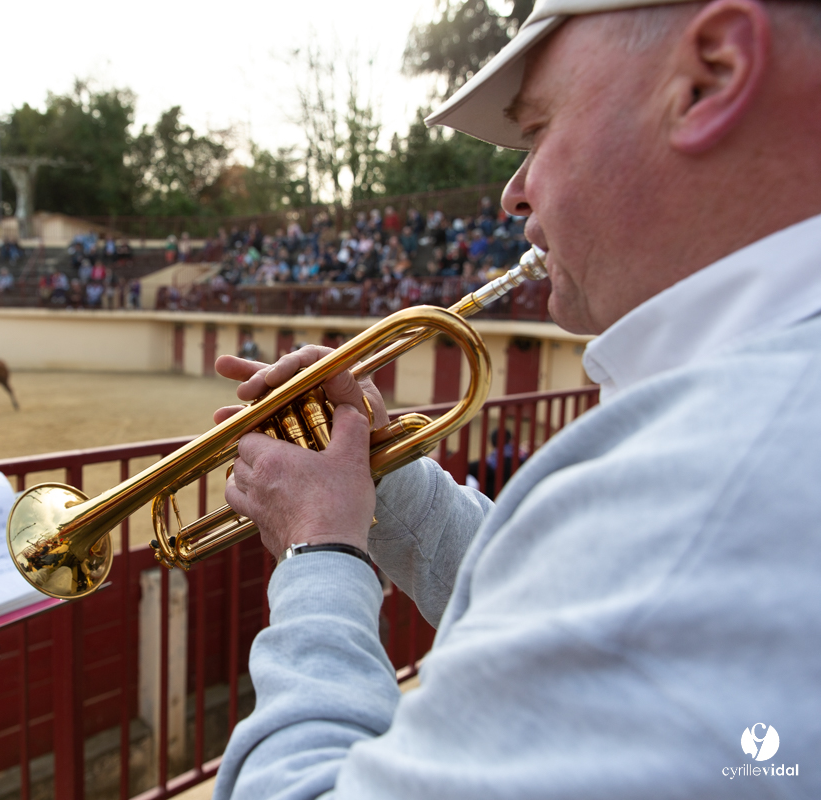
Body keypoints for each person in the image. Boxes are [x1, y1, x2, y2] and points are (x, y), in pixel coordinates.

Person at [212, 1, 821, 797]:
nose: (514, 193)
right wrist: (385, 479)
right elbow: (576, 604)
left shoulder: (714, 489)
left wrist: (318, 552)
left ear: (712, 75)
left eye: (537, 130)